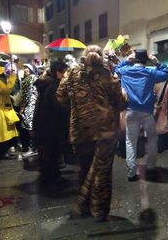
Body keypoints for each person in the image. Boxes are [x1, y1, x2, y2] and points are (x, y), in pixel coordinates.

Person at [56, 45, 127, 222]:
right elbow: (122, 102)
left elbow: (60, 96)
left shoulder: (71, 72)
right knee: (102, 173)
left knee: (83, 170)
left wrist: (77, 107)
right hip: (105, 132)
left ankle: (85, 208)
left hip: (80, 130)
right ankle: (99, 212)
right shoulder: (107, 72)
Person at [114, 49, 168, 181]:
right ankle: (151, 166)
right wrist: (157, 62)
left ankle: (131, 173)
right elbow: (167, 73)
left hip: (130, 111)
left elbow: (115, 69)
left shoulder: (125, 70)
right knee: (152, 139)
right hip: (147, 112)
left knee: (130, 142)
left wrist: (126, 61)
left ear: (134, 60)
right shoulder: (150, 72)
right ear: (146, 60)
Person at [33, 61, 69, 185]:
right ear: (58, 72)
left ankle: (51, 176)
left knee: (48, 153)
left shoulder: (46, 84)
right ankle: (51, 178)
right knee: (51, 153)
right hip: (50, 126)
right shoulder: (54, 86)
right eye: (64, 72)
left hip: (44, 124)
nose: (65, 75)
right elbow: (57, 107)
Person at [0, 64, 19, 159]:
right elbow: (7, 90)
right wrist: (13, 77)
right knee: (3, 133)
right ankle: (2, 154)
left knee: (4, 132)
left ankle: (3, 152)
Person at [20, 63, 38, 156]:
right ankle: (35, 147)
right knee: (33, 127)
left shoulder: (29, 79)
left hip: (30, 106)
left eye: (26, 68)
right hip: (35, 105)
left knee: (30, 128)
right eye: (24, 68)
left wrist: (22, 107)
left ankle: (33, 148)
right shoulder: (35, 77)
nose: (25, 70)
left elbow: (26, 95)